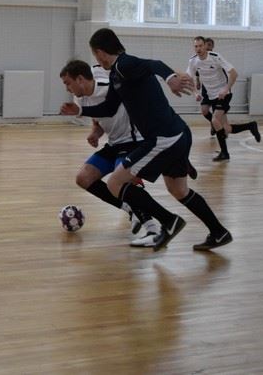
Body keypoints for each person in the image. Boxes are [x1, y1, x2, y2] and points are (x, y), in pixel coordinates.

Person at [63, 28, 232, 251]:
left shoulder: (124, 64)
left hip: (164, 137)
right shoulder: (116, 74)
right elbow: (109, 108)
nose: (97, 60)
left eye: (95, 54)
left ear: (100, 52)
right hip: (176, 134)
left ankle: (168, 221)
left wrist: (171, 78)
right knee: (179, 191)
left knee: (115, 182)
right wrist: (80, 111)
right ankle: (219, 232)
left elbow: (154, 64)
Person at [59, 59, 162, 247]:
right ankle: (129, 209)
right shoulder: (80, 99)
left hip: (134, 142)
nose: (67, 88)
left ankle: (153, 229)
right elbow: (98, 121)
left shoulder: (110, 88)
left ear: (80, 79)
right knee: (83, 178)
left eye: (68, 83)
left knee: (119, 180)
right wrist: (95, 133)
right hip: (114, 144)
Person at [187, 36, 261, 162]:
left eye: (200, 46)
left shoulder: (215, 57)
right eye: (196, 46)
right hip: (210, 95)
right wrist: (195, 93)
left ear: (205, 46)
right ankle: (250, 126)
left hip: (223, 94)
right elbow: (189, 78)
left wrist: (226, 89)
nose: (198, 49)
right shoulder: (193, 61)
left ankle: (225, 153)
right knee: (226, 128)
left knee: (215, 120)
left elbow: (234, 73)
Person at [196, 37, 216, 136]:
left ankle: (218, 128)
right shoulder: (199, 59)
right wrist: (198, 82)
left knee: (218, 114)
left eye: (209, 45)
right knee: (204, 111)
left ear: (212, 47)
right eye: (206, 45)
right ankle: (213, 122)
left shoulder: (216, 58)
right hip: (206, 89)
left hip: (216, 89)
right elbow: (197, 71)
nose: (207, 47)